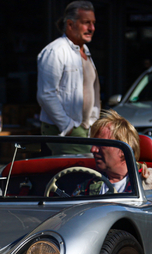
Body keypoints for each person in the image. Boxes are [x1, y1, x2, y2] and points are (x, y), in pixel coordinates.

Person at [37, 1, 100, 155]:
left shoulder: (85, 51)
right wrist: (67, 126)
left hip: (85, 128)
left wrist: (92, 122)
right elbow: (46, 94)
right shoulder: (55, 51)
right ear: (70, 25)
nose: (91, 28)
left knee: (85, 172)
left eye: (93, 23)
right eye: (86, 23)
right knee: (82, 171)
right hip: (66, 129)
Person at [73, 110, 152, 195]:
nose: (93, 150)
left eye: (101, 144)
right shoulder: (87, 187)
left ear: (122, 149)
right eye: (93, 144)